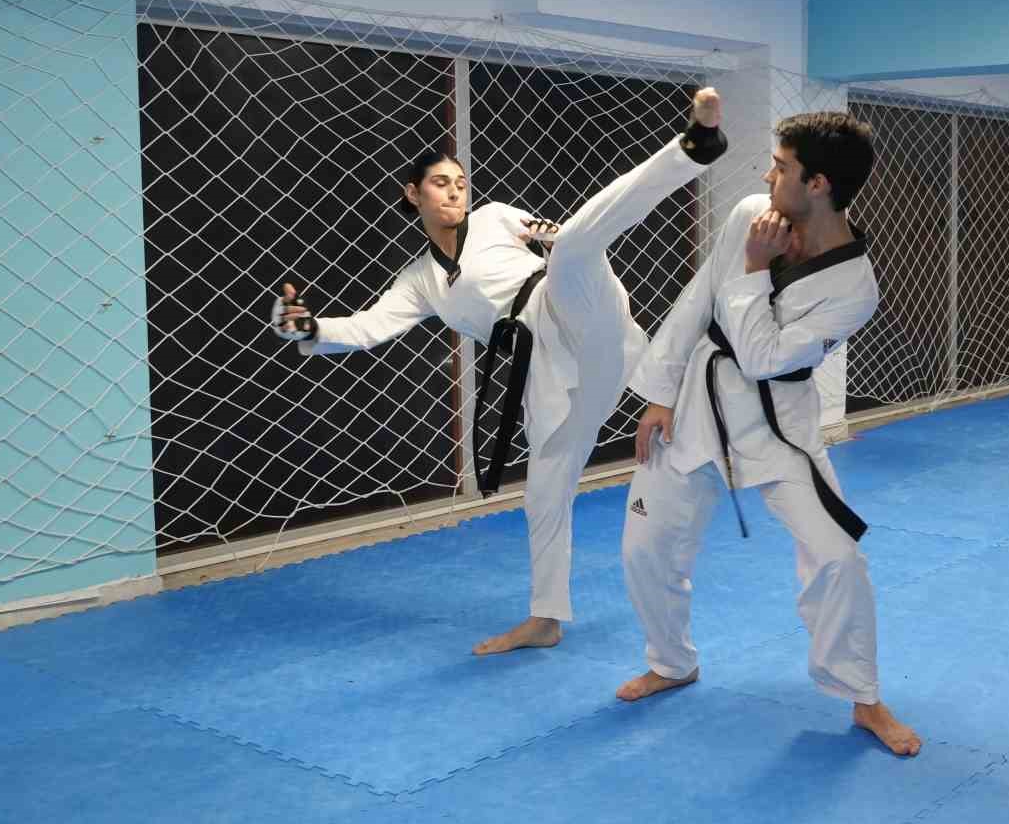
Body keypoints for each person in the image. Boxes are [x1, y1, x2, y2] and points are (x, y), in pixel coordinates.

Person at [268, 89, 727, 656]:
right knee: (544, 492)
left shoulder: (495, 217)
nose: (455, 192)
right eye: (441, 183)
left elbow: (560, 233)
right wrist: (309, 328)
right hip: (552, 370)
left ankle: (693, 149)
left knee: (576, 244)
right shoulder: (420, 281)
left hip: (571, 304)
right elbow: (368, 328)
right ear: (412, 194)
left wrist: (561, 237)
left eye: (460, 183)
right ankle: (546, 618)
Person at [615, 111, 922, 757]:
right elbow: (699, 298)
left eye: (781, 167)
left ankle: (863, 696)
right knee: (644, 548)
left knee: (839, 557)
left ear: (818, 184)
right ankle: (671, 662)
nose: (766, 175)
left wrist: (756, 268)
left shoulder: (854, 288)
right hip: (696, 406)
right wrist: (660, 392)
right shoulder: (751, 214)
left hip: (780, 430)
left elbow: (762, 359)